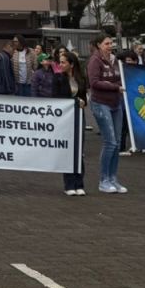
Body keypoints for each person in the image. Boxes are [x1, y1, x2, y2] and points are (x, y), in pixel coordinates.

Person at [87, 35, 126, 194]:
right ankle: (103, 180)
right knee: (110, 141)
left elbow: (120, 78)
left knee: (116, 142)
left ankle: (113, 178)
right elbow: (94, 82)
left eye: (111, 43)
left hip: (116, 103)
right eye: (106, 43)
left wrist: (116, 85)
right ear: (99, 45)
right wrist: (115, 87)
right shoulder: (95, 61)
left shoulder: (115, 60)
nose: (110, 46)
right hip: (101, 103)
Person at [52, 51, 89, 195]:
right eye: (59, 62)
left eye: (63, 62)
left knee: (79, 151)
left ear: (71, 64)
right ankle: (69, 185)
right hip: (65, 118)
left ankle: (79, 183)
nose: (60, 65)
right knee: (68, 150)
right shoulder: (57, 78)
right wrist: (74, 101)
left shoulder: (81, 79)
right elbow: (56, 98)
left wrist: (82, 102)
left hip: (79, 116)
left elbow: (84, 98)